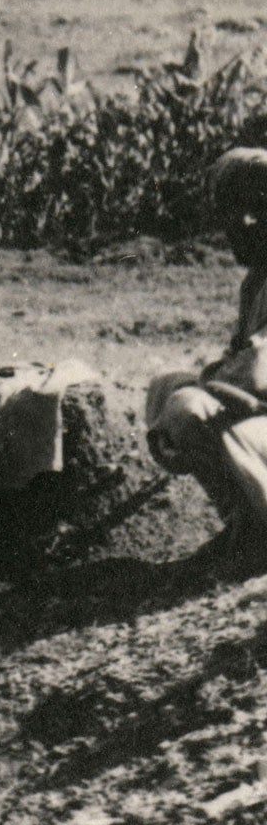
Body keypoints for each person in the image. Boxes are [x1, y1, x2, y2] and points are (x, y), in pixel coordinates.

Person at [146, 147, 267, 548]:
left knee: (186, 409)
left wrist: (212, 383)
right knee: (167, 386)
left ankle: (254, 535)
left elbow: (253, 376)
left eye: (248, 214)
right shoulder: (256, 283)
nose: (236, 229)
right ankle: (242, 521)